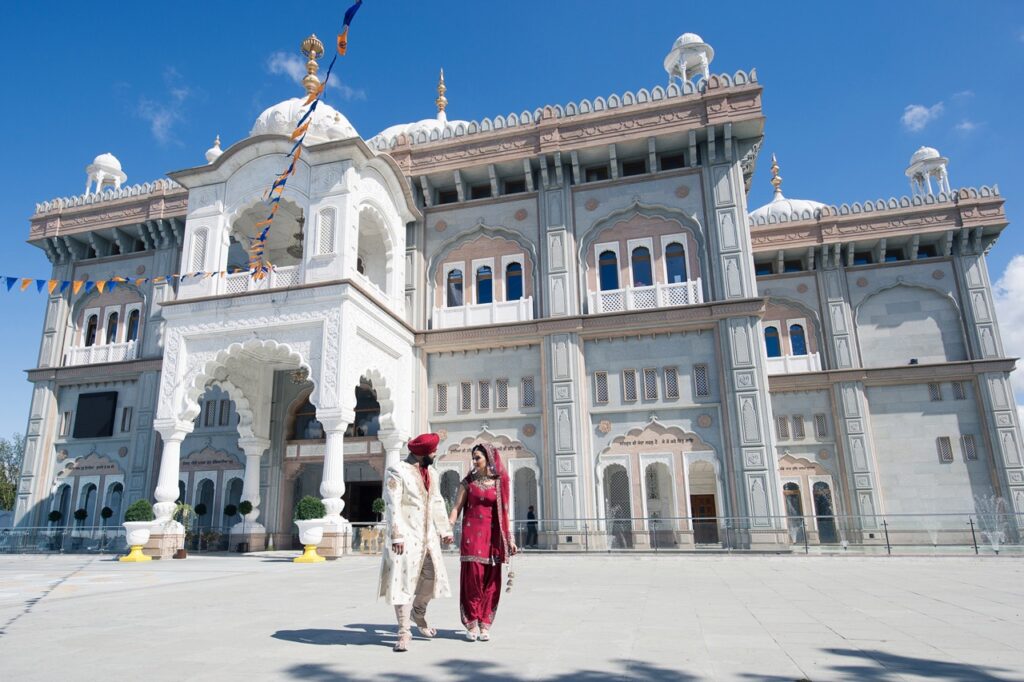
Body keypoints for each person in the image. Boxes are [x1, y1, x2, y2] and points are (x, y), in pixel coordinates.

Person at [378, 433, 454, 652]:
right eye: (433, 451)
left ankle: (417, 613)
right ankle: (404, 632)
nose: (435, 453)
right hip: (406, 535)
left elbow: (437, 501)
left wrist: (444, 530)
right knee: (403, 582)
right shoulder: (397, 470)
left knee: (432, 579)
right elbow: (392, 504)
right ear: (422, 453)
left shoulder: (431, 472)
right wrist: (397, 535)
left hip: (428, 537)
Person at [448, 443, 517, 641]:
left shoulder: (498, 482)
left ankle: (485, 623)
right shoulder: (467, 482)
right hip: (472, 536)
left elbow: (504, 513)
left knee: (491, 582)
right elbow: (456, 508)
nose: (474, 461)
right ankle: (471, 622)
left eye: (478, 457)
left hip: (493, 538)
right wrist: (448, 527)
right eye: (473, 457)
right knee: (474, 579)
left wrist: (509, 539)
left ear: (488, 458)